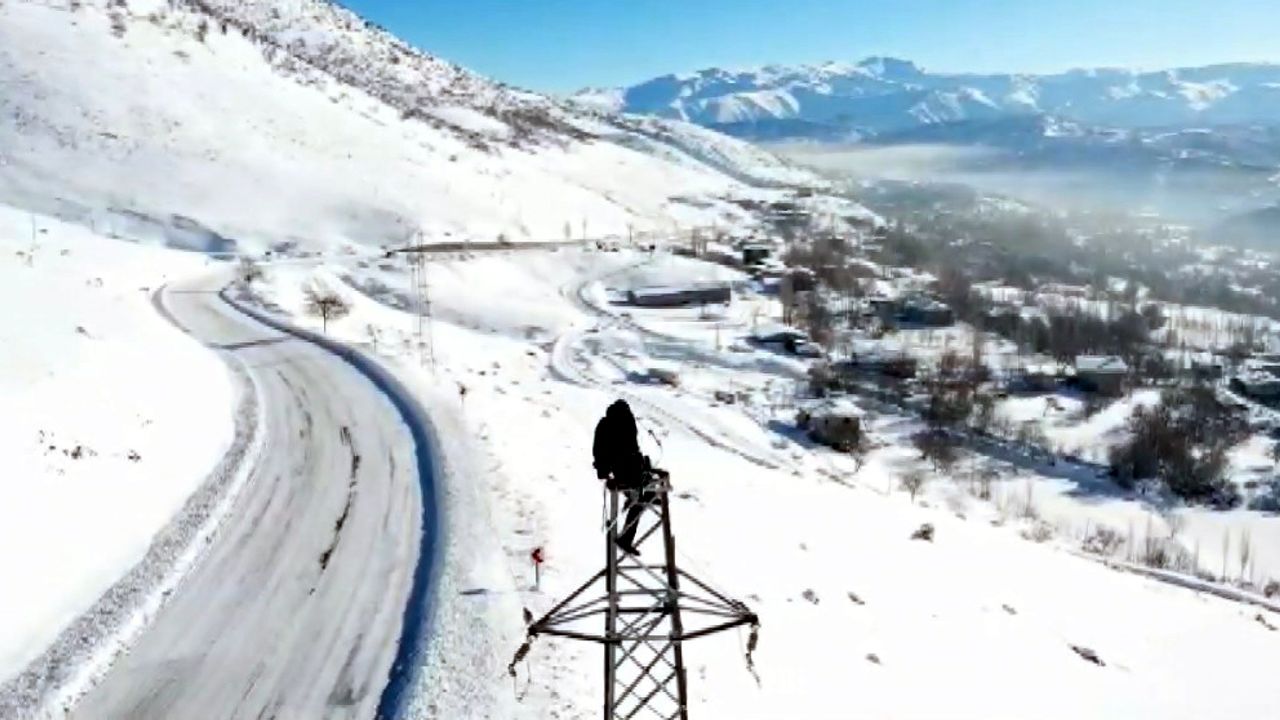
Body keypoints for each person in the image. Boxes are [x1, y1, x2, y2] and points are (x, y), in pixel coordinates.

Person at [593, 399, 658, 555]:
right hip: (627, 470)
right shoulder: (625, 422)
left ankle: (639, 499)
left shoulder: (605, 424)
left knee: (644, 492)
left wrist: (603, 471)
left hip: (619, 469)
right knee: (643, 494)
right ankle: (626, 538)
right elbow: (630, 448)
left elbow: (598, 449)